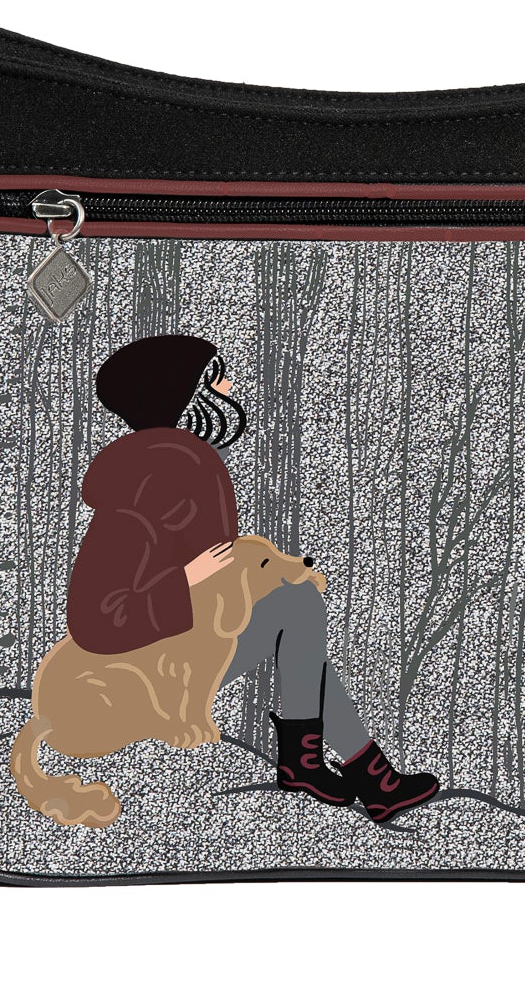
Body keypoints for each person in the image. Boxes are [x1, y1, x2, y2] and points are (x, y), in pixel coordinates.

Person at [67, 333, 439, 824]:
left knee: (299, 618)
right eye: (214, 380)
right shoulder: (138, 494)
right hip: (150, 671)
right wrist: (188, 578)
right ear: (182, 398)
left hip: (188, 645)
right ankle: (319, 766)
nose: (227, 388)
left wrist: (264, 576)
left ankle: (370, 779)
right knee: (297, 608)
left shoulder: (186, 470)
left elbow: (218, 580)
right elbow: (94, 620)